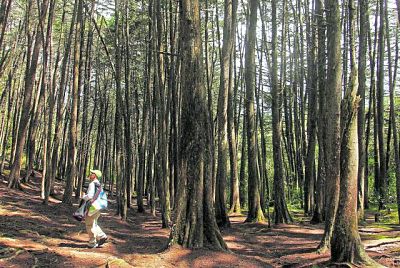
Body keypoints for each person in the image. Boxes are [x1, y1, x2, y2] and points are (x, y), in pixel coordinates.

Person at [82, 169, 108, 248]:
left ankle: (92, 243)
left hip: (92, 207)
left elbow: (90, 196)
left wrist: (83, 196)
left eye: (92, 173)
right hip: (99, 206)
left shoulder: (92, 184)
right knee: (94, 223)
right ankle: (102, 235)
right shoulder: (99, 184)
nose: (90, 174)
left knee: (89, 224)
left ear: (95, 175)